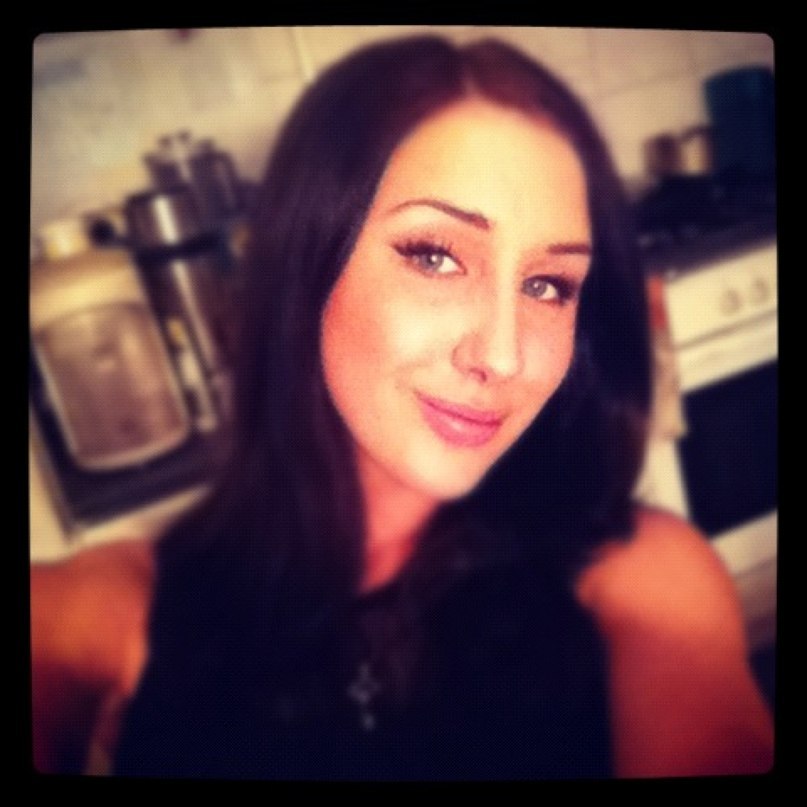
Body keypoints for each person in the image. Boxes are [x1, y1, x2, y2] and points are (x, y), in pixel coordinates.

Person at [30, 34, 773, 779]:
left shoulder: (638, 574)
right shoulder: (118, 604)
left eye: (548, 286)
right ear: (304, 265)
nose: (503, 357)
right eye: (434, 256)